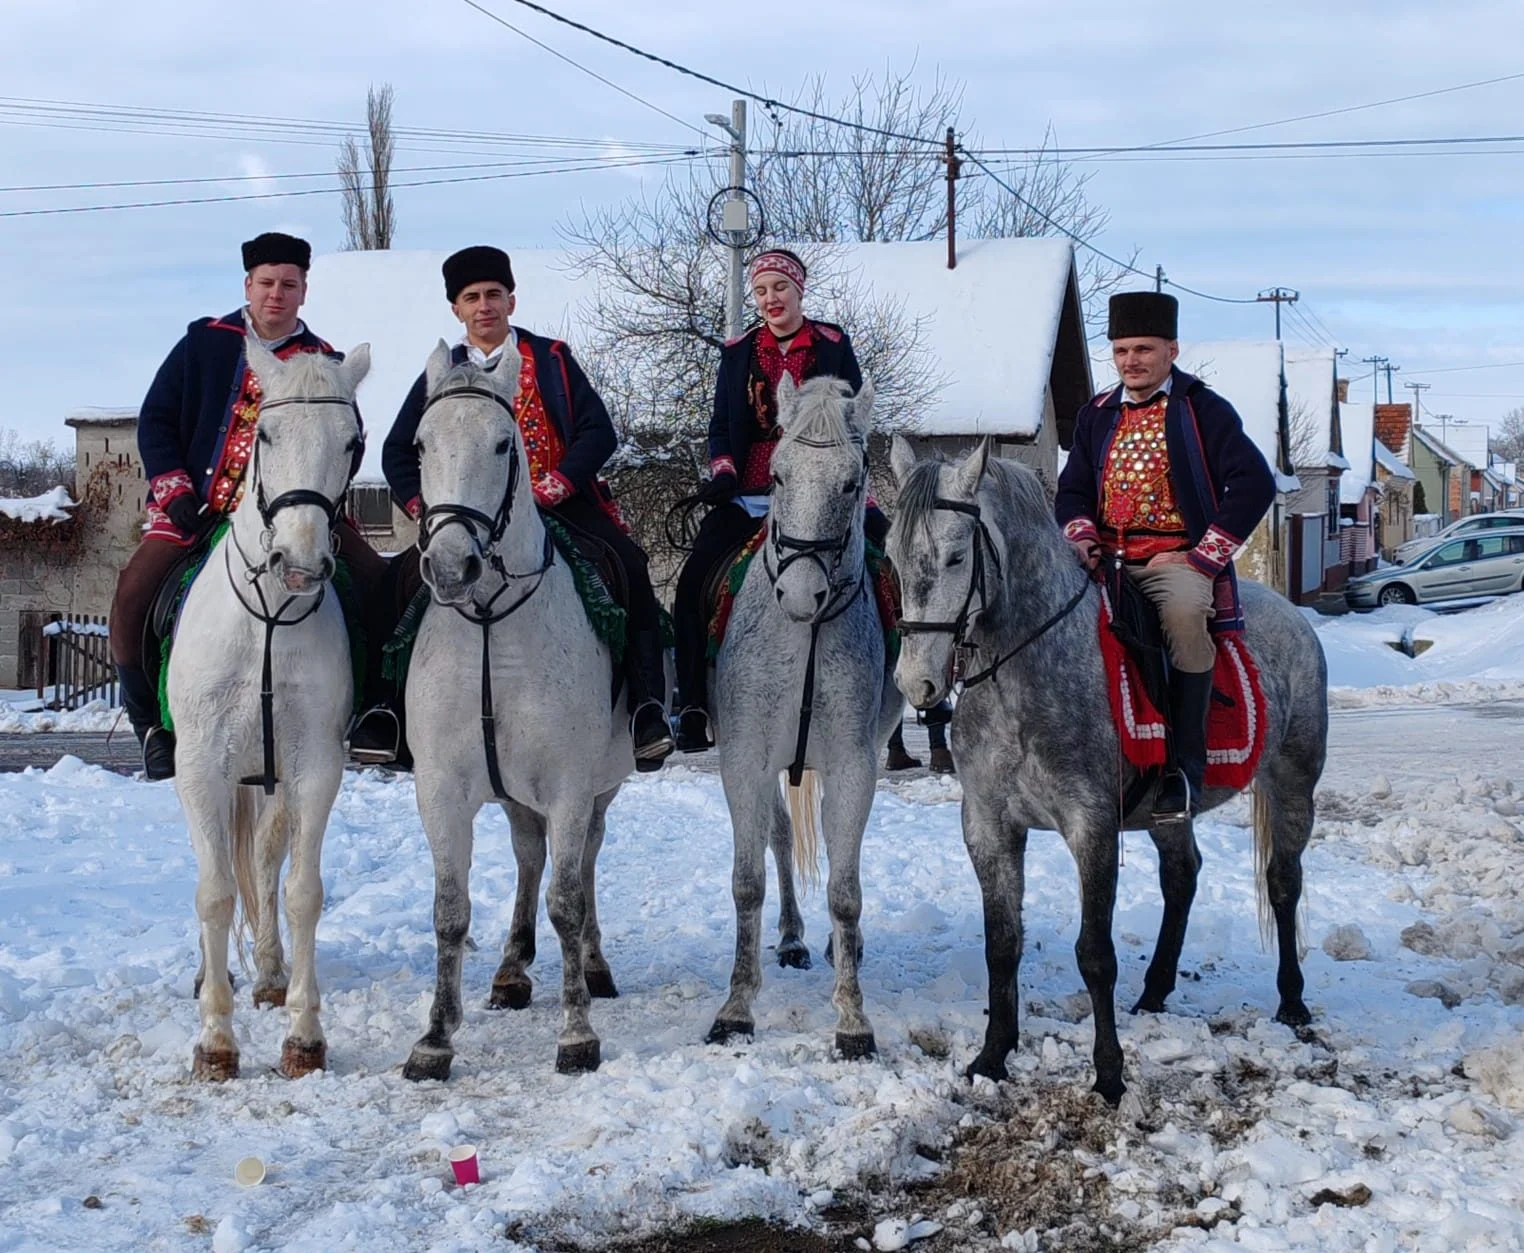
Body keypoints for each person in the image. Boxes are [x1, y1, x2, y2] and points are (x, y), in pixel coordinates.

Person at [380, 245, 674, 770]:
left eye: (494, 294)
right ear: (456, 309)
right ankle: (385, 713)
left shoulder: (552, 358)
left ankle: (647, 708)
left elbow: (597, 431)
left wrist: (558, 484)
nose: (484, 305)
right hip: (469, 518)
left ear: (511, 301)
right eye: (472, 297)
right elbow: (397, 450)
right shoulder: (441, 374)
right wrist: (426, 509)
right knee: (396, 579)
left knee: (629, 565)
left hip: (558, 503)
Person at [110, 232, 388, 780]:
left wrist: (324, 500)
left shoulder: (326, 361)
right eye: (266, 283)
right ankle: (152, 727)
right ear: (248, 285)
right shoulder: (203, 344)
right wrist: (175, 491)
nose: (276, 294)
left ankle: (375, 713)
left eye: (288, 284)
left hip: (297, 517)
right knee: (132, 595)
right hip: (196, 510)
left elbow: (349, 439)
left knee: (378, 587)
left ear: (304, 290)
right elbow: (157, 420)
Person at [670, 248, 945, 762]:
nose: (770, 299)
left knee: (896, 561)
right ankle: (691, 706)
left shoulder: (833, 345)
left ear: (799, 290)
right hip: (753, 491)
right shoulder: (737, 353)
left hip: (827, 487)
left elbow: (856, 419)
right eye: (761, 291)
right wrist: (724, 471)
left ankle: (921, 687)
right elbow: (721, 426)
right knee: (693, 580)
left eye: (780, 288)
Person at [1055, 291, 1275, 819]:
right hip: (1103, 561)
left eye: (1143, 349)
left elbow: (1254, 484)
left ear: (1171, 350)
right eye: (1121, 350)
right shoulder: (1095, 415)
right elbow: (1072, 490)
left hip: (1174, 561)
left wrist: (1201, 558)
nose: (1131, 360)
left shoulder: (1204, 410)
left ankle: (1183, 769)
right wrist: (1081, 535)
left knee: (1182, 619)